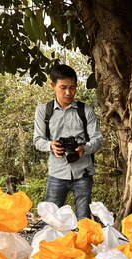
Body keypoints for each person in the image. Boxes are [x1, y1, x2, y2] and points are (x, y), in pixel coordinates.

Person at [33, 64, 103, 221]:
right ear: (53, 85)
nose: (68, 93)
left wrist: (84, 148)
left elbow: (98, 139)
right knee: (50, 220)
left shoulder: (85, 110)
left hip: (83, 173)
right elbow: (38, 140)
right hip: (57, 173)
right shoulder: (44, 111)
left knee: (84, 221)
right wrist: (51, 145)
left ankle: (82, 246)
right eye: (63, 87)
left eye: (72, 88)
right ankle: (48, 246)